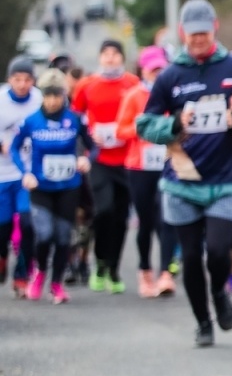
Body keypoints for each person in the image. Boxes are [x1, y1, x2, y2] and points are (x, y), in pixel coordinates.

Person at [136, 0, 232, 347]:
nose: (197, 40)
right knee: (191, 257)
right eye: (192, 35)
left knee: (219, 251)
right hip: (182, 180)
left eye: (203, 34)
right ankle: (202, 321)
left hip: (226, 179)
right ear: (182, 33)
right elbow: (145, 124)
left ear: (215, 29)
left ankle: (220, 293)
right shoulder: (170, 76)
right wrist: (174, 125)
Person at [11, 69, 92, 303]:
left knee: (64, 237)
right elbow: (15, 147)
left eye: (58, 95)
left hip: (68, 186)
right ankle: (39, 274)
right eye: (49, 95)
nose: (53, 100)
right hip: (41, 187)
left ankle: (56, 284)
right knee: (44, 234)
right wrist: (24, 172)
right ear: (43, 96)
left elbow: (92, 146)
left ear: (64, 95)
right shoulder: (31, 121)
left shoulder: (75, 119)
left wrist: (85, 158)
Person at [70, 41, 139, 292]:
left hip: (127, 159)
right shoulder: (87, 85)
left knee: (121, 217)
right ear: (100, 58)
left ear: (122, 58)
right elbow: (74, 120)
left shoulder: (132, 84)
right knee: (104, 210)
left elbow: (143, 113)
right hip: (99, 158)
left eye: (115, 54)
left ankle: (113, 268)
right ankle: (99, 260)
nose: (110, 59)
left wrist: (127, 132)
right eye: (106, 54)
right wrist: (87, 140)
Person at [117, 46, 177, 298]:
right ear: (143, 70)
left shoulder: (173, 94)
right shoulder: (133, 96)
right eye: (153, 69)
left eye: (161, 69)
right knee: (146, 221)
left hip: (167, 162)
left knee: (167, 219)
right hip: (139, 166)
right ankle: (145, 272)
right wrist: (146, 130)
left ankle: (165, 273)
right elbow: (121, 131)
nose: (157, 73)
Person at [1, 56, 41, 297]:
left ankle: (22, 274)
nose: (22, 84)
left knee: (27, 223)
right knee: (2, 228)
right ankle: (2, 257)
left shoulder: (39, 100)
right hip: (2, 174)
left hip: (27, 174)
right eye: (17, 79)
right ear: (9, 80)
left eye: (27, 79)